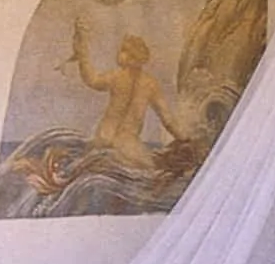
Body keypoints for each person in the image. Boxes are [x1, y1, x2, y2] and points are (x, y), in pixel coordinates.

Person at [70, 18, 187, 168]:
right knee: (151, 170)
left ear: (132, 56)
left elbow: (92, 80)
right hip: (127, 144)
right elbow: (167, 119)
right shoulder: (149, 84)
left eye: (123, 50)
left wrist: (83, 56)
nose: (119, 53)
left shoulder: (117, 77)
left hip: (104, 136)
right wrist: (184, 138)